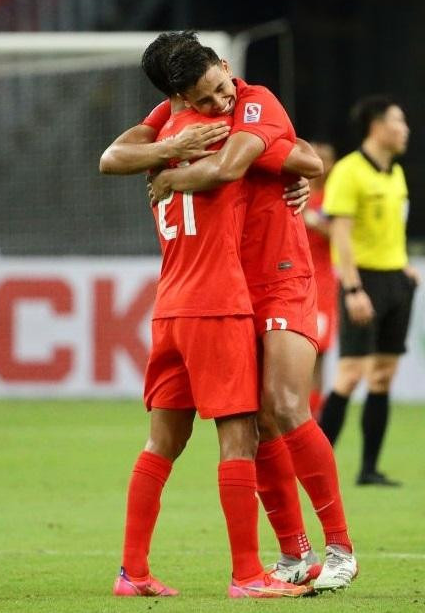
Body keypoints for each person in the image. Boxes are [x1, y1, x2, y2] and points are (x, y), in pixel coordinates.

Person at [104, 33, 355, 596]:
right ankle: (263, 566)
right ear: (180, 98)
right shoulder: (193, 127)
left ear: (225, 66)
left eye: (222, 88)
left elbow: (298, 158)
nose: (221, 102)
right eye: (206, 97)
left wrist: (168, 170)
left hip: (209, 293)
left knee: (278, 410)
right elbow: (245, 165)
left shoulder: (241, 106)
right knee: (245, 431)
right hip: (220, 299)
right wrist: (297, 162)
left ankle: (336, 545)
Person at [317, 96, 418, 487]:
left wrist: (404, 265)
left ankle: (369, 469)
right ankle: (317, 467)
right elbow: (340, 232)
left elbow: (392, 228)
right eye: (399, 121)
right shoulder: (348, 171)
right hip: (363, 282)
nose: (405, 129)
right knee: (351, 373)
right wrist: (353, 286)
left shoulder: (395, 172)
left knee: (383, 375)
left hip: (395, 279)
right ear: (377, 126)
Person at [302, 142, 339, 417]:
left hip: (322, 286)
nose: (318, 163)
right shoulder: (294, 194)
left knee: (317, 355)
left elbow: (343, 238)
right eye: (313, 157)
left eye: (324, 158)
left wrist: (315, 222)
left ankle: (314, 421)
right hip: (292, 282)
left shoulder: (334, 199)